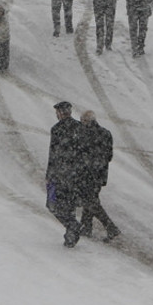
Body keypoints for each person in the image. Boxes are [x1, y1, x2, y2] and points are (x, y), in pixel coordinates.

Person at [76, 110, 120, 241]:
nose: (81, 123)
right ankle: (86, 227)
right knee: (90, 200)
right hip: (99, 175)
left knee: (91, 202)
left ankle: (111, 227)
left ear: (87, 121)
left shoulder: (85, 135)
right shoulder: (106, 133)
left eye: (83, 121)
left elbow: (81, 155)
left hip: (88, 174)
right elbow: (109, 156)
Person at [45, 101, 84, 247]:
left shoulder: (57, 129)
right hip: (76, 174)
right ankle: (71, 235)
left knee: (53, 204)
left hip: (61, 174)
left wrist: (49, 174)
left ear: (60, 113)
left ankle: (72, 227)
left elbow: (53, 153)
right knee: (70, 205)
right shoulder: (80, 127)